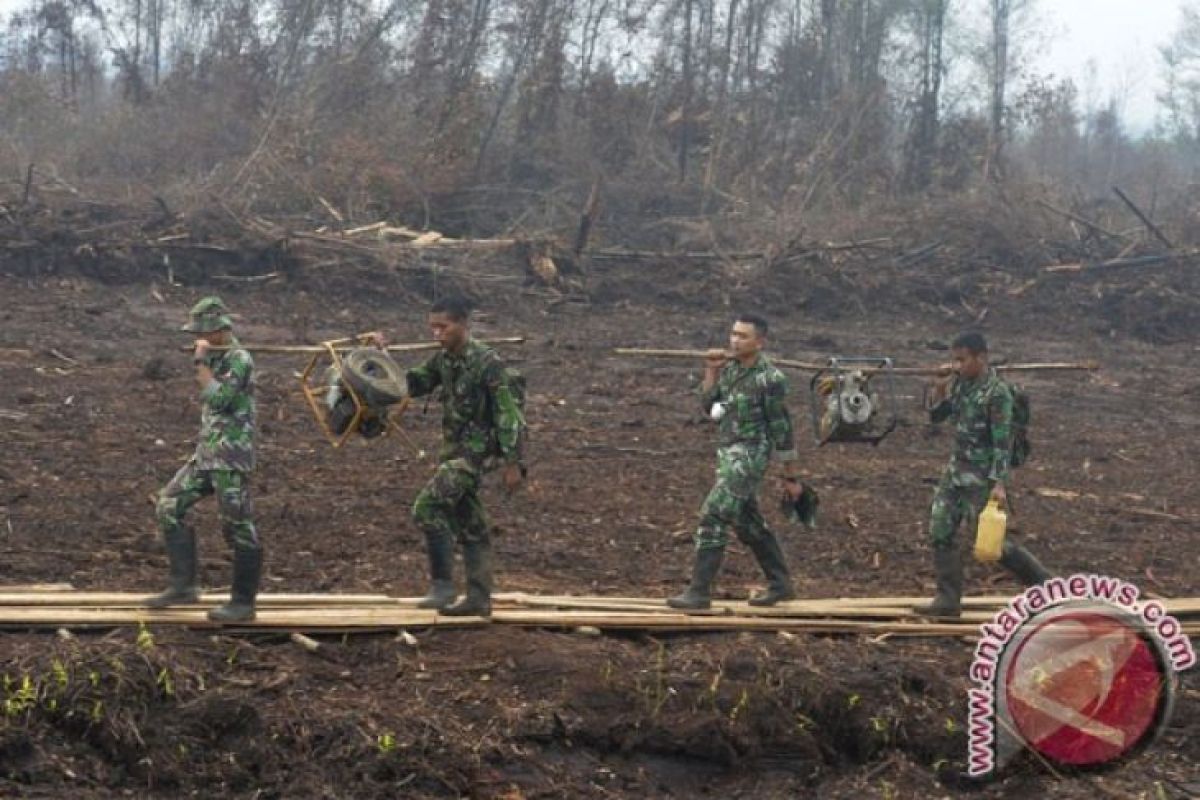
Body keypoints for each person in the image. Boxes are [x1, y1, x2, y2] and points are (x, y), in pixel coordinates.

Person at [370, 297, 525, 618]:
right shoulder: (444, 360)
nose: (437, 334)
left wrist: (514, 462)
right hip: (452, 453)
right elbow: (409, 385)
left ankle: (443, 587)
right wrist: (380, 358)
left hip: (475, 455)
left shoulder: (486, 363)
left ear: (464, 324)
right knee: (472, 525)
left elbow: (509, 412)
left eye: (444, 327)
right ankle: (479, 599)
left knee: (427, 507)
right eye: (433, 328)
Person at [668, 314, 804, 610]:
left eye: (743, 336)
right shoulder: (729, 370)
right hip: (727, 454)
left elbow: (782, 427)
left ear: (760, 342)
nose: (735, 340)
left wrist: (790, 475)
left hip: (751, 455)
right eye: (733, 334)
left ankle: (699, 592)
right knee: (747, 522)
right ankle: (781, 584)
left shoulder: (770, 379)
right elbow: (709, 407)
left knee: (713, 514)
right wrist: (710, 372)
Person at [914, 331, 1051, 619]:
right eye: (955, 360)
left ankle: (1047, 586)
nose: (957, 365)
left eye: (962, 360)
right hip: (956, 472)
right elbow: (938, 418)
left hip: (981, 477)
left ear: (981, 358)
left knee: (991, 544)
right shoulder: (962, 385)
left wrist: (999, 483)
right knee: (940, 529)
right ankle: (947, 599)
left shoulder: (997, 393)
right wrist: (939, 390)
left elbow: (1003, 441)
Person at [145, 296, 263, 622]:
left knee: (236, 525)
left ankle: (242, 602)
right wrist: (206, 360)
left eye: (202, 334)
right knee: (169, 505)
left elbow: (219, 397)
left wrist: (200, 363)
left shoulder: (239, 359)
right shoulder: (219, 357)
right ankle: (183, 586)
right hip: (207, 454)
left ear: (217, 330)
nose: (198, 340)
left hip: (230, 457)